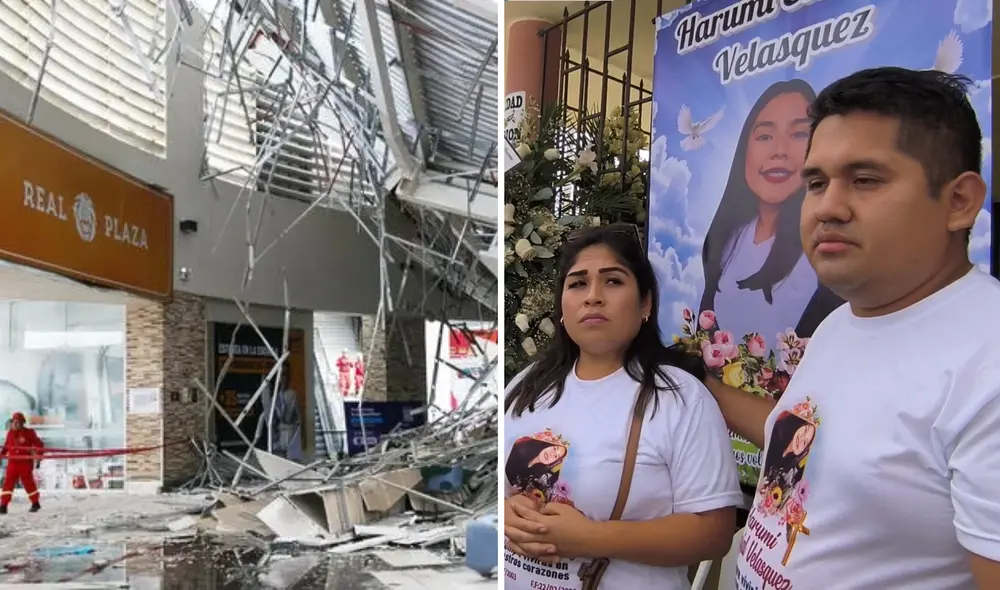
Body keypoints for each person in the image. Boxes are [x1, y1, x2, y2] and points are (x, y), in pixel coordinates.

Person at [704, 67, 1000, 589]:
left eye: (865, 180)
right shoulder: (842, 321)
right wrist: (696, 381)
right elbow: (808, 443)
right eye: (816, 183)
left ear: (959, 202)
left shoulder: (987, 363)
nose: (827, 208)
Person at [503, 223, 743, 589]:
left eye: (613, 281)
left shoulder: (680, 398)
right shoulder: (527, 385)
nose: (593, 297)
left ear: (646, 303)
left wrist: (591, 538)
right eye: (577, 283)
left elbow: (713, 533)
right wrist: (504, 511)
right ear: (562, 308)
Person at [699, 79, 842, 343]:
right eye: (765, 136)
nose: (779, 151)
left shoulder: (831, 248)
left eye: (799, 134)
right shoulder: (726, 240)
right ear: (744, 149)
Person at [0, 412, 43, 513]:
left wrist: (39, 454)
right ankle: (3, 505)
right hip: (13, 463)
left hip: (25, 463)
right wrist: (1, 455)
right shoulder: (10, 433)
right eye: (14, 422)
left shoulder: (29, 433)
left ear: (22, 423)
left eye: (17, 422)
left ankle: (35, 503)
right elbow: (6, 446)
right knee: (8, 484)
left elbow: (39, 444)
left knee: (28, 483)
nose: (15, 424)